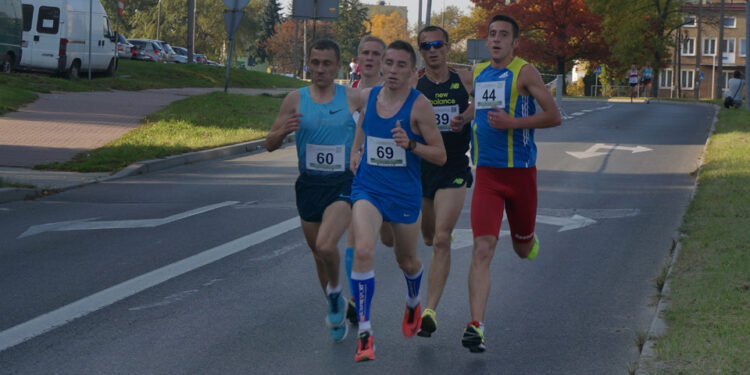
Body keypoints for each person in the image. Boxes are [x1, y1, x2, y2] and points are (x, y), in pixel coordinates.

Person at [462, 14, 561, 354]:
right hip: (488, 175)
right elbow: (484, 105)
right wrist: (467, 114)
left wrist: (513, 123)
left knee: (521, 250)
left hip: (520, 176)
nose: (496, 39)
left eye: (504, 35)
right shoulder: (479, 72)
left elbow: (554, 115)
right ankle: (477, 326)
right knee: (483, 249)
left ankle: (527, 238)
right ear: (486, 40)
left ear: (515, 42)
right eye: (492, 34)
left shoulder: (525, 72)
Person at [348, 40, 447, 362]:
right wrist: (355, 150)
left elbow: (441, 155)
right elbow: (363, 123)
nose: (391, 70)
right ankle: (365, 333)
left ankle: (413, 298)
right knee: (363, 249)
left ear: (412, 71)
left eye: (400, 65)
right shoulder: (370, 95)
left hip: (403, 194)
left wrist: (412, 146)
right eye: (388, 63)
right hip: (368, 187)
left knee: (406, 260)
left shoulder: (419, 106)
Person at [265, 39, 363, 344]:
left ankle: (335, 297)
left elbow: (382, 111)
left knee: (325, 245)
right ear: (309, 64)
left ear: (337, 66)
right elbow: (269, 143)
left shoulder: (352, 98)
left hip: (341, 185)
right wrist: (283, 131)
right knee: (319, 255)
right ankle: (336, 298)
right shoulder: (295, 99)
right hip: (309, 185)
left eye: (326, 63)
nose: (320, 69)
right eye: (315, 62)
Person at [413, 25, 475, 338]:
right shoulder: (415, 83)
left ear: (448, 47)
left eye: (437, 44)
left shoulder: (464, 80)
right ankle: (439, 242)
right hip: (422, 168)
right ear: (421, 52)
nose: (432, 50)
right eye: (426, 46)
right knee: (428, 237)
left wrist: (466, 116)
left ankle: (430, 311)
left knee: (440, 238)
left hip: (454, 165)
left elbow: (490, 97)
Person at [343, 35, 388, 327]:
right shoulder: (348, 92)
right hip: (360, 173)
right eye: (364, 53)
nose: (369, 58)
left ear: (383, 60)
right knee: (355, 236)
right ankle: (355, 301)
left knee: (393, 241)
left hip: (392, 175)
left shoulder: (393, 91)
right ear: (357, 58)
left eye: (375, 54)